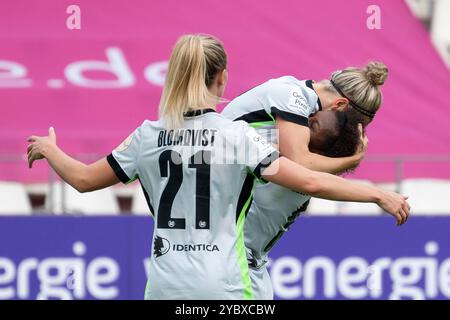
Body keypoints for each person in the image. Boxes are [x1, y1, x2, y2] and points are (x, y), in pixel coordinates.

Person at [27, 34, 409, 300]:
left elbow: (82, 179)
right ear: (223, 77)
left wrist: (51, 149)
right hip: (225, 281)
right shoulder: (237, 140)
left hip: (162, 285)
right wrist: (377, 191)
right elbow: (307, 176)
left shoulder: (146, 136)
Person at [245, 110, 362, 300]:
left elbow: (312, 180)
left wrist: (379, 195)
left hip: (243, 272)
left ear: (321, 152)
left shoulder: (296, 172)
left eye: (312, 126)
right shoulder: (292, 162)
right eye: (310, 117)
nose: (302, 124)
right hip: (250, 269)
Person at [221, 61, 388, 174]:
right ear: (339, 105)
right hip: (214, 169)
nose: (343, 130)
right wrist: (353, 160)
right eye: (345, 122)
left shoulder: (303, 97)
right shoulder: (294, 97)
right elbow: (300, 164)